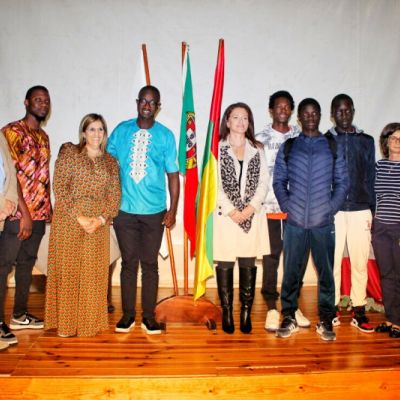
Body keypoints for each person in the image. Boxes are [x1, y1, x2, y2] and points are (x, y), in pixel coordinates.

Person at [273, 98, 348, 341]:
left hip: (323, 223)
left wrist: (330, 209)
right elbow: (279, 181)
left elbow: (342, 182)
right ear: (299, 118)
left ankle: (325, 319)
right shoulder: (290, 146)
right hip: (294, 223)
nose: (310, 117)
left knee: (326, 274)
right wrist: (288, 206)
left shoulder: (332, 145)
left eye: (314, 113)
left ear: (320, 115)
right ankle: (289, 317)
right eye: (305, 114)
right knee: (291, 273)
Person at [107, 85, 179, 335]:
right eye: (144, 101)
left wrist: (173, 210)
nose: (147, 106)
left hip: (154, 211)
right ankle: (127, 315)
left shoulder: (166, 136)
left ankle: (149, 317)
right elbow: (106, 164)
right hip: (124, 210)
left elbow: (173, 175)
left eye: (152, 102)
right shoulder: (121, 130)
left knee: (149, 265)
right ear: (137, 102)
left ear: (158, 107)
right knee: (129, 263)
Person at [44, 114, 120, 337]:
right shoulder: (70, 154)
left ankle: (89, 323)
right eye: (92, 129)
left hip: (98, 223)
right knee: (69, 273)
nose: (96, 134)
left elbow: (115, 195)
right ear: (83, 132)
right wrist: (79, 217)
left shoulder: (111, 162)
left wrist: (101, 219)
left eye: (100, 129)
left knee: (92, 274)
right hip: (69, 220)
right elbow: (60, 187)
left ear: (104, 134)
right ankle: (66, 325)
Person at [0, 86, 51, 346]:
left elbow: (42, 175)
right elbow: (11, 176)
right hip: (17, 214)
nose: (43, 104)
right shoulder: (12, 132)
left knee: (26, 264)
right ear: (26, 102)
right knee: (3, 266)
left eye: (46, 100)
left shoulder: (43, 136)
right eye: (38, 99)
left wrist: (48, 207)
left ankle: (19, 315)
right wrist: (24, 213)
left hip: (40, 213)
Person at [256, 90, 310, 332]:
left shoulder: (301, 137)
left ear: (292, 111)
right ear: (271, 110)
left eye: (287, 106)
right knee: (271, 258)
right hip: (268, 208)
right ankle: (271, 307)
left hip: (297, 209)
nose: (283, 110)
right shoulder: (259, 138)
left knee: (296, 258)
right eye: (279, 106)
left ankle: (292, 305)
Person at [214, 102, 269, 334]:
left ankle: (246, 312)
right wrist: (232, 211)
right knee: (225, 263)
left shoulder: (257, 148)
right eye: (236, 117)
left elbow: (264, 182)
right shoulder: (217, 148)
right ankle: (226, 312)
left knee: (248, 263)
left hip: (251, 216)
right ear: (227, 121)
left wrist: (250, 208)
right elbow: (213, 184)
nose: (240, 122)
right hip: (226, 217)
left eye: (245, 118)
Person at [328, 94, 375, 333]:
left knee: (359, 263)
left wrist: (372, 210)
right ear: (332, 114)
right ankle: (331, 308)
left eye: (347, 110)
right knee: (332, 263)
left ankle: (358, 309)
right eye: (339, 111)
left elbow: (371, 176)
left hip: (360, 209)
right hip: (333, 211)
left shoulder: (366, 141)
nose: (344, 114)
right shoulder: (325, 140)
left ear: (353, 112)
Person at [372, 123, 400, 338]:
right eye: (393, 138)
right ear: (386, 142)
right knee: (387, 275)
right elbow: (373, 197)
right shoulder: (379, 166)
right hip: (381, 228)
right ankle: (391, 318)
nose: (397, 142)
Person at [0, 127, 18, 350]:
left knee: (1, 270)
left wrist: (9, 202)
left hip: (5, 212)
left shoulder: (1, 137)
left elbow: (11, 174)